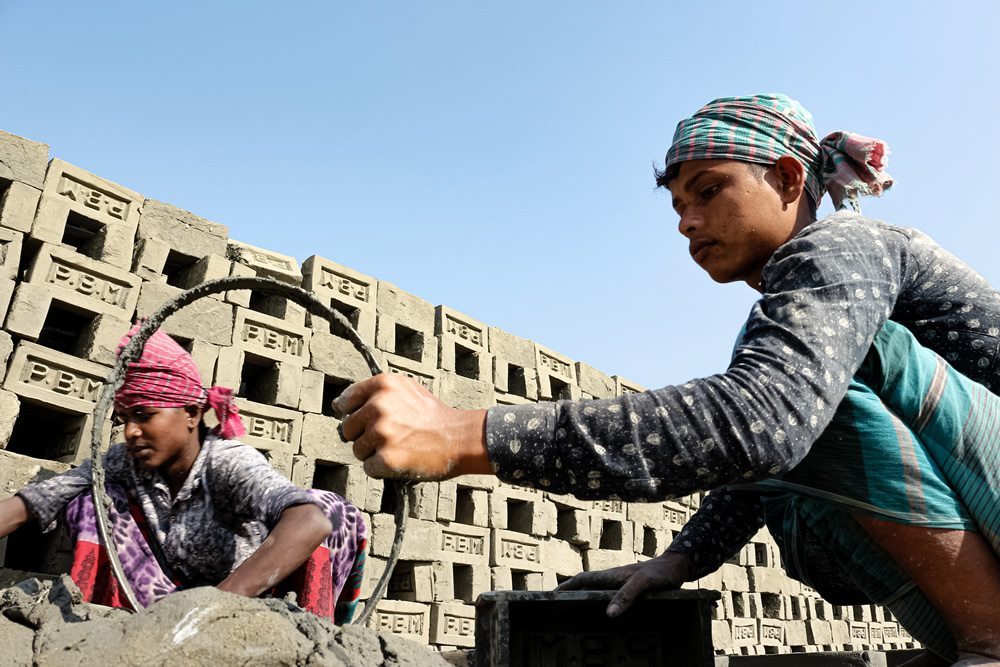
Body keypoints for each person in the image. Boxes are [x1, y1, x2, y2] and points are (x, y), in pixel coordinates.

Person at [333, 94, 1000, 665]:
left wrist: (467, 434)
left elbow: (760, 425)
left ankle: (988, 640)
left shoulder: (845, 248)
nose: (686, 221)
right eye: (679, 204)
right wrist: (680, 559)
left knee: (802, 391)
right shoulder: (788, 314)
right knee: (791, 397)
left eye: (709, 191)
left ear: (791, 179)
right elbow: (769, 461)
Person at [0, 325, 367, 624]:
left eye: (144, 415)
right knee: (90, 499)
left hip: (252, 602)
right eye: (125, 417)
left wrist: (210, 610)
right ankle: (100, 626)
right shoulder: (127, 462)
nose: (130, 430)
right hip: (168, 599)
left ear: (191, 414)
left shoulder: (226, 462)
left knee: (331, 508)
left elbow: (311, 520)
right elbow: (34, 502)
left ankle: (311, 637)